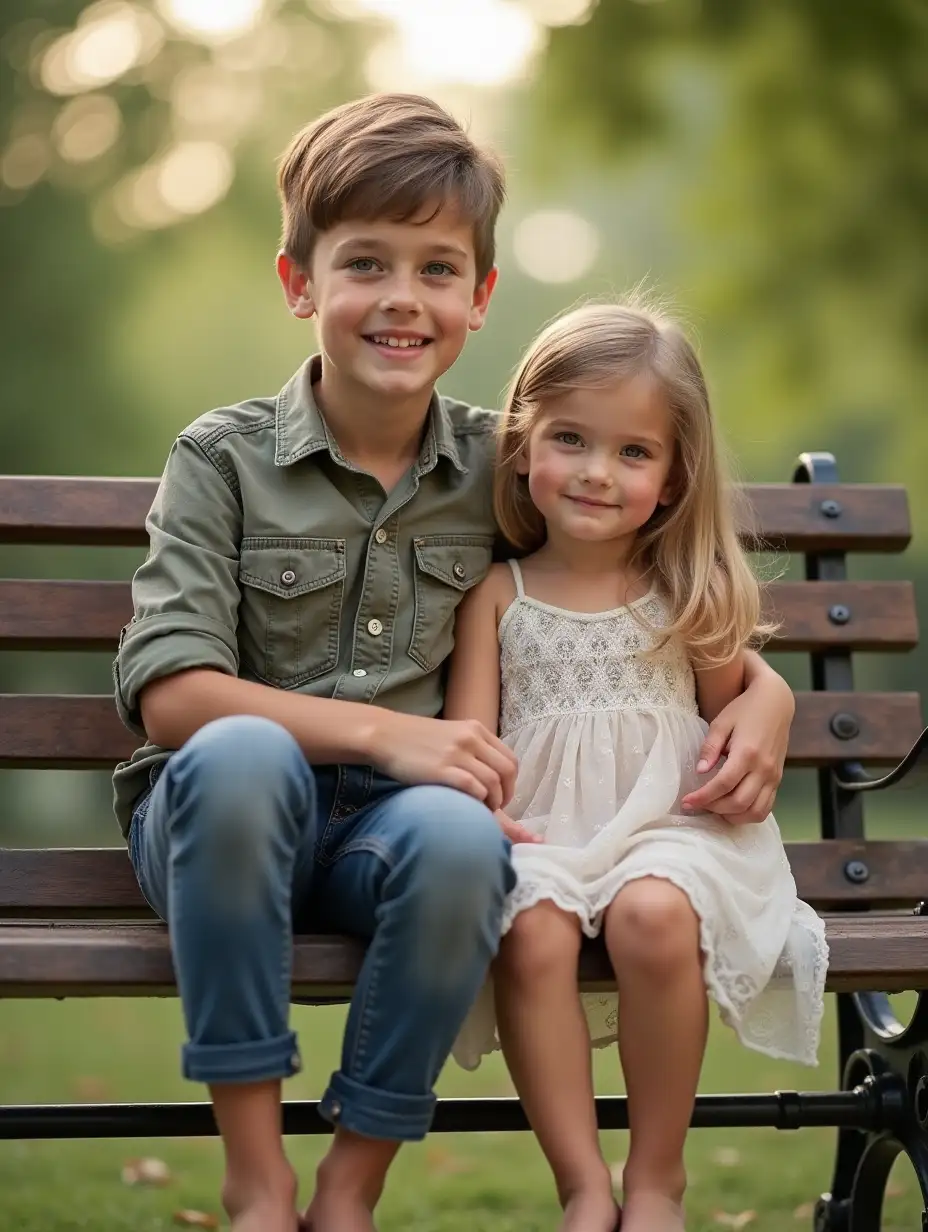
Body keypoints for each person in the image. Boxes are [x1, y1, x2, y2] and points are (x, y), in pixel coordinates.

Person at [112, 93, 798, 1232]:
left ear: (479, 299)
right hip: (225, 824)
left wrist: (764, 694)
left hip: (398, 832)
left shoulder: (514, 459)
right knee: (241, 757)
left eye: (437, 269)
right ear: (300, 283)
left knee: (459, 834)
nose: (400, 298)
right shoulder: (221, 458)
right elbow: (175, 697)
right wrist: (390, 732)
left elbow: (639, 581)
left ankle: (348, 1187)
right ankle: (257, 1178)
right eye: (365, 262)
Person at [445, 300, 828, 1232]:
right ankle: (582, 1184)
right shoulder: (500, 594)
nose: (595, 473)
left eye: (632, 452)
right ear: (525, 445)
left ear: (672, 476)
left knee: (655, 913)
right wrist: (477, 808)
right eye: (570, 439)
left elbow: (741, 699)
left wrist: (770, 697)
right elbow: (469, 740)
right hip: (544, 833)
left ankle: (657, 1179)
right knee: (528, 923)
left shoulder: (686, 591)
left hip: (675, 829)